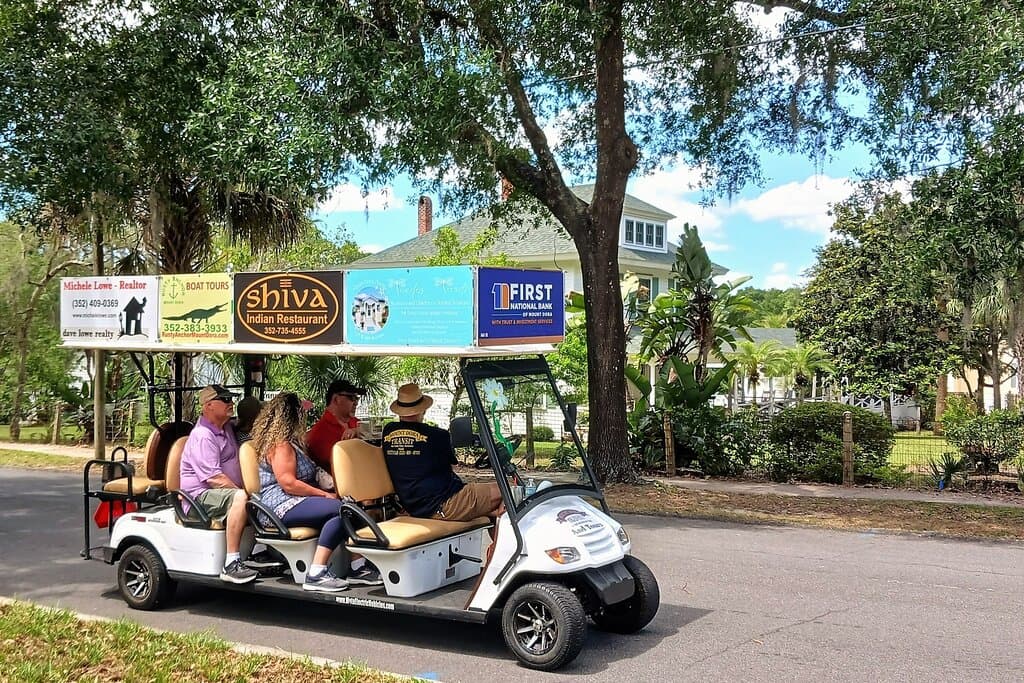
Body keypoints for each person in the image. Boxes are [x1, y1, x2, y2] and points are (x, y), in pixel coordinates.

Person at [251, 392, 382, 593]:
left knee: (345, 511)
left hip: (294, 500)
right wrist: (323, 495)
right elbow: (288, 483)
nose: (305, 417)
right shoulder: (281, 445)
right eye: (302, 413)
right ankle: (318, 574)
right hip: (280, 504)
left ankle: (354, 567)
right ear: (292, 416)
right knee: (343, 509)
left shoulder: (292, 442)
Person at [382, 383, 503, 521]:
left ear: (399, 411)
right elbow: (452, 467)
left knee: (490, 507)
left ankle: (494, 534)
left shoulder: (388, 431)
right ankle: (501, 542)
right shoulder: (438, 435)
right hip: (444, 504)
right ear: (424, 409)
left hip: (414, 506)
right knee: (506, 491)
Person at [179, 384, 257, 584]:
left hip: (217, 494)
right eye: (225, 400)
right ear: (208, 405)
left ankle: (263, 552)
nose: (231, 403)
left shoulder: (226, 427)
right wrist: (245, 493)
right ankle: (231, 563)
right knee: (241, 498)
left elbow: (252, 416)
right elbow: (214, 479)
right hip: (199, 497)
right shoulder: (203, 436)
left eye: (231, 399)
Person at [306, 379, 367, 468]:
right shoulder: (320, 432)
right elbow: (339, 465)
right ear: (336, 399)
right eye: (351, 398)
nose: (356, 403)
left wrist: (358, 431)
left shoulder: (356, 422)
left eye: (357, 398)